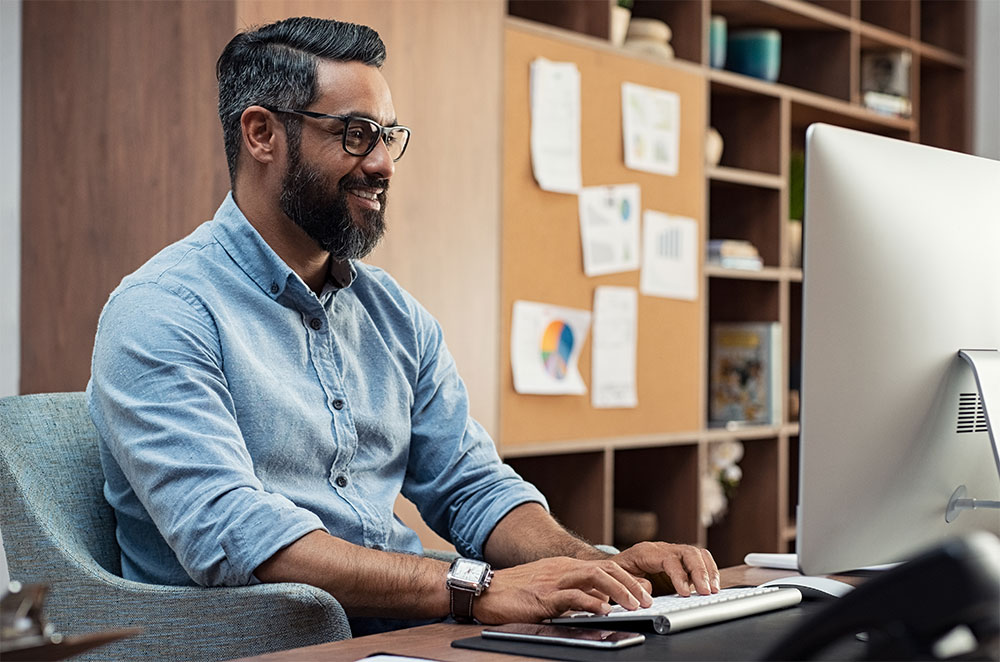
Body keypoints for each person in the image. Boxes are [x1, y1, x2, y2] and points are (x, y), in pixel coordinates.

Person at [87, 16, 719, 635]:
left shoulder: (393, 314)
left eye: (389, 136)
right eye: (358, 134)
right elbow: (234, 533)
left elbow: (470, 485)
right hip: (261, 645)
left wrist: (596, 569)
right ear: (261, 134)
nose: (385, 163)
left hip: (408, 631)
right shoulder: (162, 311)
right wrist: (475, 588)